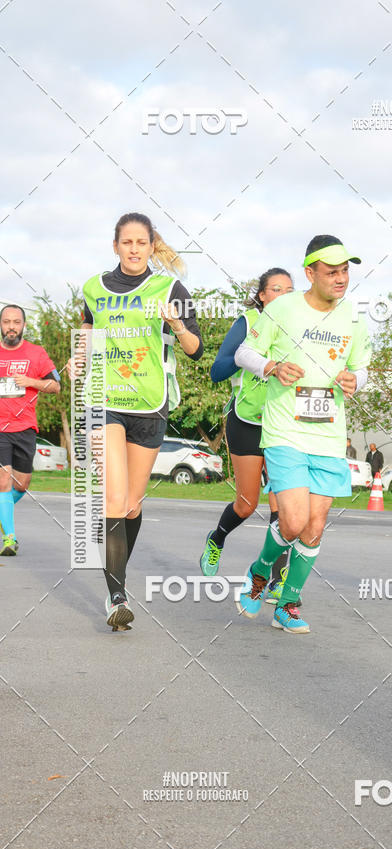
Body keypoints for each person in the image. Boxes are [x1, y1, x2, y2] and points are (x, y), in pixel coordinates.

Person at [69, 212, 203, 631]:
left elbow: (196, 348)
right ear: (116, 246)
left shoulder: (169, 288)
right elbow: (87, 332)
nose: (133, 249)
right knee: (113, 498)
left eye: (141, 243)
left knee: (131, 505)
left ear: (150, 246)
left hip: (150, 402)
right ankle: (117, 597)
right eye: (126, 242)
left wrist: (176, 325)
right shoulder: (94, 288)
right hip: (106, 399)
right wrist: (77, 358)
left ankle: (114, 566)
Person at [233, 234, 372, 633]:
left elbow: (362, 368)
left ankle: (288, 602)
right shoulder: (281, 309)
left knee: (315, 526)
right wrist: (272, 366)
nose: (341, 279)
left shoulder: (354, 318)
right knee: (292, 523)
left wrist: (354, 381)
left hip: (328, 435)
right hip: (284, 431)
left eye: (346, 270)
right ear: (310, 272)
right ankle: (261, 573)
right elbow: (244, 353)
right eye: (332, 272)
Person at [200, 268, 294, 603]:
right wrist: (255, 358)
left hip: (284, 423)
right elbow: (217, 371)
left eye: (290, 290)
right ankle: (217, 539)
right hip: (247, 419)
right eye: (276, 289)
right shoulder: (248, 321)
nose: (284, 295)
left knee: (285, 505)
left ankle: (277, 580)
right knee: (246, 503)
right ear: (263, 295)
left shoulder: (300, 328)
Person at [0, 304, 60, 555]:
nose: (11, 327)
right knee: (4, 480)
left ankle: (4, 516)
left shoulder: (36, 353)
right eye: (6, 322)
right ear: (1, 325)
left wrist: (31, 382)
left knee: (22, 484)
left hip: (25, 427)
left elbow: (56, 385)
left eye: (16, 322)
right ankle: (10, 539)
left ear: (24, 325)